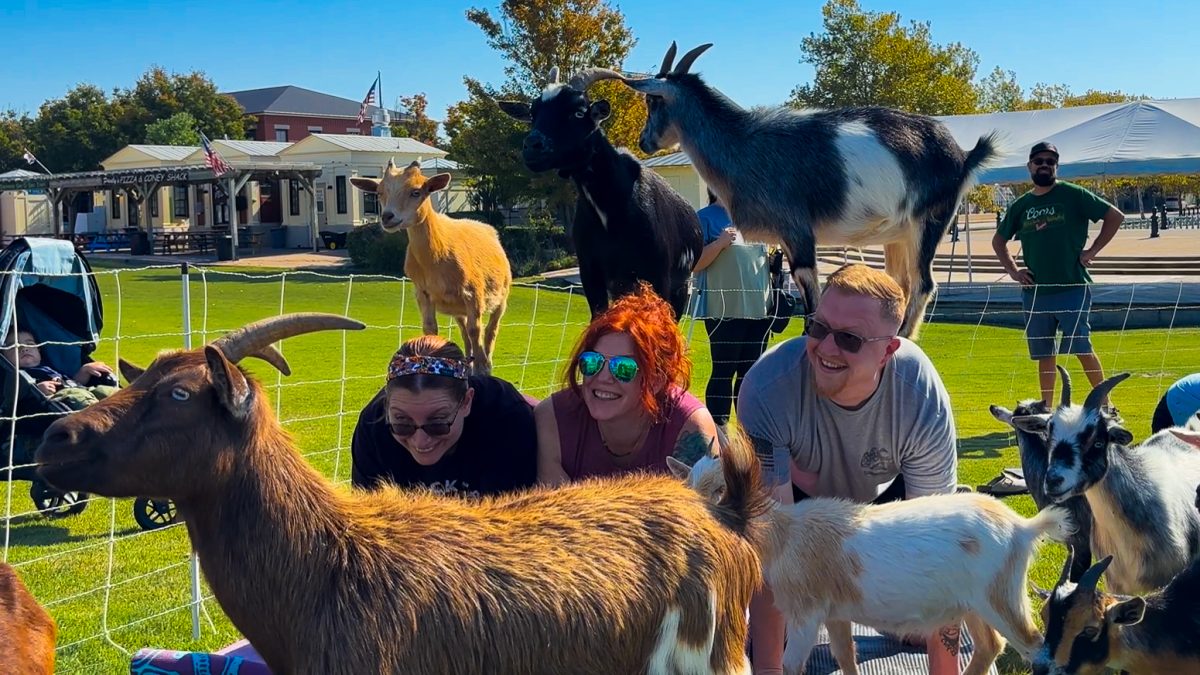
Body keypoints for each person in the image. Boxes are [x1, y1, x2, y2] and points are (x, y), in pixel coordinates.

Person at [736, 263, 960, 675]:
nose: (825, 348)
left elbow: (940, 545)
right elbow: (774, 542)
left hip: (885, 504)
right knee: (774, 633)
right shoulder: (767, 389)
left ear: (889, 351)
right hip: (799, 503)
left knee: (916, 613)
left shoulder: (921, 396)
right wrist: (769, 669)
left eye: (850, 339)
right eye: (818, 327)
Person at [535, 282, 721, 484]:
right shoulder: (553, 419)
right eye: (592, 362)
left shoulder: (689, 428)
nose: (603, 377)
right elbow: (560, 511)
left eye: (623, 368)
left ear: (656, 381)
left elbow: (706, 512)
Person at [992, 141, 1125, 410]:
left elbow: (1115, 216)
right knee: (1044, 353)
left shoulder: (1073, 194)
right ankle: (1045, 409)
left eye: (1050, 162)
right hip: (1036, 293)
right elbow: (999, 241)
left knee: (1081, 347)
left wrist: (1092, 251)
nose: (1044, 165)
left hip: (1072, 287)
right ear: (1029, 166)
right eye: (1039, 161)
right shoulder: (1021, 206)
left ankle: (1107, 406)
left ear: (1056, 167)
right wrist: (1013, 271)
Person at [351, 335, 538, 498]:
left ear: (466, 402)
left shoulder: (507, 417)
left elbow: (515, 522)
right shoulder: (373, 425)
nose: (420, 442)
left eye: (437, 424)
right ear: (387, 406)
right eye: (402, 424)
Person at [691, 190, 774, 429]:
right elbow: (695, 264)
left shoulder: (755, 219)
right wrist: (719, 244)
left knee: (750, 375)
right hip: (723, 312)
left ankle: (748, 432)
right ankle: (719, 435)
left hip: (759, 312)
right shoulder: (704, 218)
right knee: (723, 372)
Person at [4, 328, 116, 410]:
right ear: (4, 357)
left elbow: (71, 383)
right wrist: (37, 391)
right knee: (78, 397)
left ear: (39, 350)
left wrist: (84, 370)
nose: (24, 349)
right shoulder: (15, 377)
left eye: (29, 344)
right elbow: (12, 402)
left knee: (107, 392)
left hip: (79, 391)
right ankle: (100, 415)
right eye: (14, 346)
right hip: (60, 402)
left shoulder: (49, 367)